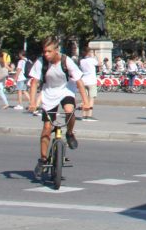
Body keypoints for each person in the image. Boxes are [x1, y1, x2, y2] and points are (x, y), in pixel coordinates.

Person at [28, 37, 89, 166]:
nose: (46, 54)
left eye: (49, 51)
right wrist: (32, 103)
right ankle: (43, 160)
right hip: (49, 93)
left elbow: (79, 82)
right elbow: (34, 83)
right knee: (46, 128)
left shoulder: (66, 61)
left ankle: (70, 133)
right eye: (44, 51)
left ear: (57, 50)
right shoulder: (41, 62)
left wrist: (86, 102)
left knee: (69, 110)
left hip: (66, 90)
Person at [78, 47, 99, 120]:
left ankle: (83, 115)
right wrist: (95, 56)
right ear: (89, 53)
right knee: (91, 98)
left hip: (84, 80)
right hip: (91, 81)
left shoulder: (82, 61)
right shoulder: (92, 60)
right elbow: (99, 64)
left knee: (84, 99)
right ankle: (89, 115)